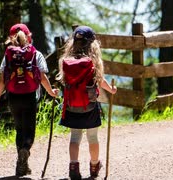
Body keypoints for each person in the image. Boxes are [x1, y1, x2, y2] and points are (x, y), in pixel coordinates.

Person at [0, 23, 59, 177]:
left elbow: (2, 80)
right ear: (28, 37)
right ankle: (25, 151)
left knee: (19, 129)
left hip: (13, 97)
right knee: (29, 131)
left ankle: (22, 163)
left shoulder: (8, 55)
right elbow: (41, 77)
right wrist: (51, 92)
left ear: (10, 38)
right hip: (30, 97)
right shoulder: (35, 54)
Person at [56, 25, 117, 179]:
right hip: (89, 107)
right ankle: (95, 165)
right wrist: (111, 90)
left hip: (71, 106)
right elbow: (100, 81)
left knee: (75, 138)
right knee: (93, 138)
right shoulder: (93, 61)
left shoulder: (66, 61)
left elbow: (63, 81)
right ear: (92, 44)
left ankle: (73, 167)